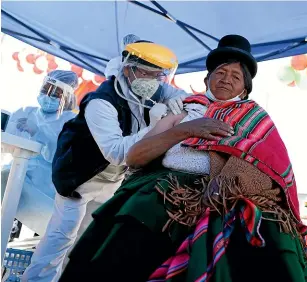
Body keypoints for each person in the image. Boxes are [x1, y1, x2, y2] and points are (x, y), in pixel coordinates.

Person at [59, 34, 307, 282]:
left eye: (236, 76)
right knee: (134, 228)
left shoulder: (256, 120)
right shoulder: (183, 108)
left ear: (245, 87)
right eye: (220, 73)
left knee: (265, 232)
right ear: (207, 78)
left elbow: (272, 169)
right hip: (164, 189)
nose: (226, 80)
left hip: (226, 191)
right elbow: (135, 157)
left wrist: (227, 181)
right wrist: (187, 129)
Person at [22, 38, 189, 282]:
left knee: (91, 239)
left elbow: (180, 96)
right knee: (61, 236)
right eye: (146, 72)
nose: (152, 81)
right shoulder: (101, 102)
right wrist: (155, 127)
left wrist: (184, 101)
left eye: (157, 75)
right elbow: (116, 152)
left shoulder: (152, 89)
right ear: (128, 68)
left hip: (111, 180)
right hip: (79, 177)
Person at [1, 70, 78, 235]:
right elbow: (6, 147)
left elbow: (60, 155)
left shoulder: (70, 122)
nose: (48, 95)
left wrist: (38, 133)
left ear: (67, 96)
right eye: (45, 89)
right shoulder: (26, 112)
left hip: (43, 187)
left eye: (55, 93)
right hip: (15, 173)